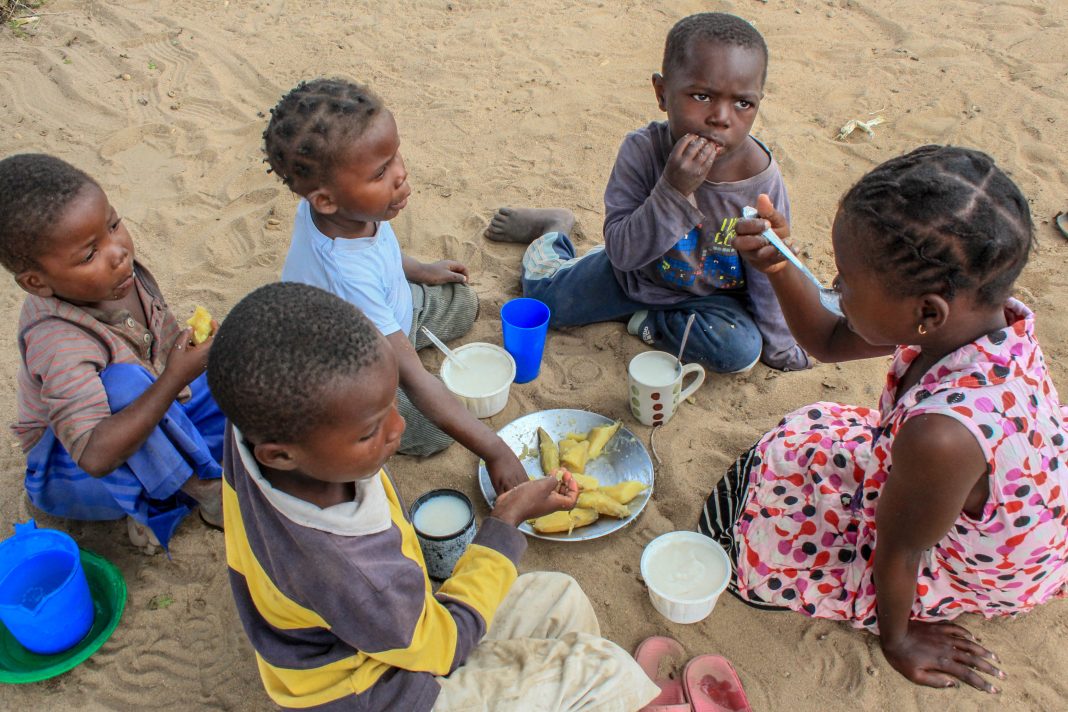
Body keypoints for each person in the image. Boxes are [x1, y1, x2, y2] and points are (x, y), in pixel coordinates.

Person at [699, 145, 1068, 693]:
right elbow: (827, 339)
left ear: (926, 312)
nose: (835, 286)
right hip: (967, 491)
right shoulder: (972, 321)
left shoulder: (941, 436)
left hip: (973, 561)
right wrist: (777, 263)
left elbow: (901, 550)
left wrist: (899, 639)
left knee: (743, 545)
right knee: (805, 437)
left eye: (845, 279)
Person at [208, 282, 658, 711]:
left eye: (392, 406)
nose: (398, 428)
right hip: (384, 693)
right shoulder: (351, 573)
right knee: (607, 672)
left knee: (561, 597)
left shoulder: (253, 429)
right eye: (370, 431)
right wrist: (505, 522)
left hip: (389, 633)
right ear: (281, 454)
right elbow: (442, 646)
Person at [485, 12, 809, 373]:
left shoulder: (760, 180)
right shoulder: (642, 151)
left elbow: (768, 272)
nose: (721, 117)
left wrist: (780, 349)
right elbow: (623, 253)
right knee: (546, 303)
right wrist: (673, 189)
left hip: (710, 300)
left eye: (743, 103)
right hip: (632, 276)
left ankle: (646, 320)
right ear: (661, 93)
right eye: (702, 96)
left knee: (740, 350)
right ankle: (552, 230)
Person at [264, 78, 526, 494]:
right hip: (352, 370)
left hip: (392, 313)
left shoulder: (340, 208)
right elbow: (413, 377)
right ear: (326, 200)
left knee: (463, 299)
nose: (401, 174)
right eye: (381, 171)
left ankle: (415, 332)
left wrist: (420, 270)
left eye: (395, 154)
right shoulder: (345, 276)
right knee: (437, 430)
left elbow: (378, 253)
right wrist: (494, 449)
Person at [0, 154, 223, 551]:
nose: (118, 252)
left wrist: (187, 360)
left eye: (114, 225)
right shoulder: (57, 340)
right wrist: (174, 378)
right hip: (75, 470)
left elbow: (159, 360)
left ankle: (174, 477)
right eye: (89, 254)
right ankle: (201, 492)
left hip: (145, 409)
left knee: (236, 373)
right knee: (123, 385)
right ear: (37, 282)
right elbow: (96, 456)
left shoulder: (118, 277)